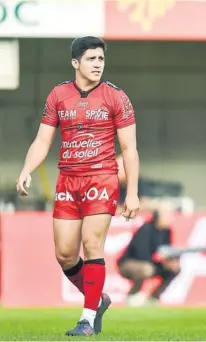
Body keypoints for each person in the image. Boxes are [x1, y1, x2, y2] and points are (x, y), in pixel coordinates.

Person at [15, 36, 140, 336]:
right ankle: (99, 299)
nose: (98, 64)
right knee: (65, 254)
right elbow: (43, 139)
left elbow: (130, 149)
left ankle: (86, 318)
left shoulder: (116, 97)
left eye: (101, 59)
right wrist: (26, 169)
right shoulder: (59, 95)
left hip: (102, 177)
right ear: (75, 62)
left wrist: (132, 192)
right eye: (91, 59)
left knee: (92, 243)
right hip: (68, 180)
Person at [117, 199, 180, 307]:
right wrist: (161, 261)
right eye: (167, 214)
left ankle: (153, 298)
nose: (171, 217)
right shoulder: (146, 229)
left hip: (153, 263)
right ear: (158, 215)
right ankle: (133, 295)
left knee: (175, 269)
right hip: (129, 263)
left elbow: (168, 251)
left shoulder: (167, 231)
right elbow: (142, 255)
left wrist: (171, 262)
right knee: (146, 268)